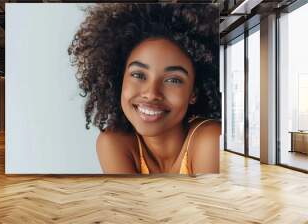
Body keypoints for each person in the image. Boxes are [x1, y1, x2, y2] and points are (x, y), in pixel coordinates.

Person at [68, 3, 221, 175]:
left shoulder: (211, 139)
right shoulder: (113, 143)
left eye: (173, 80)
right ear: (119, 79)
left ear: (194, 92)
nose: (151, 93)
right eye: (139, 75)